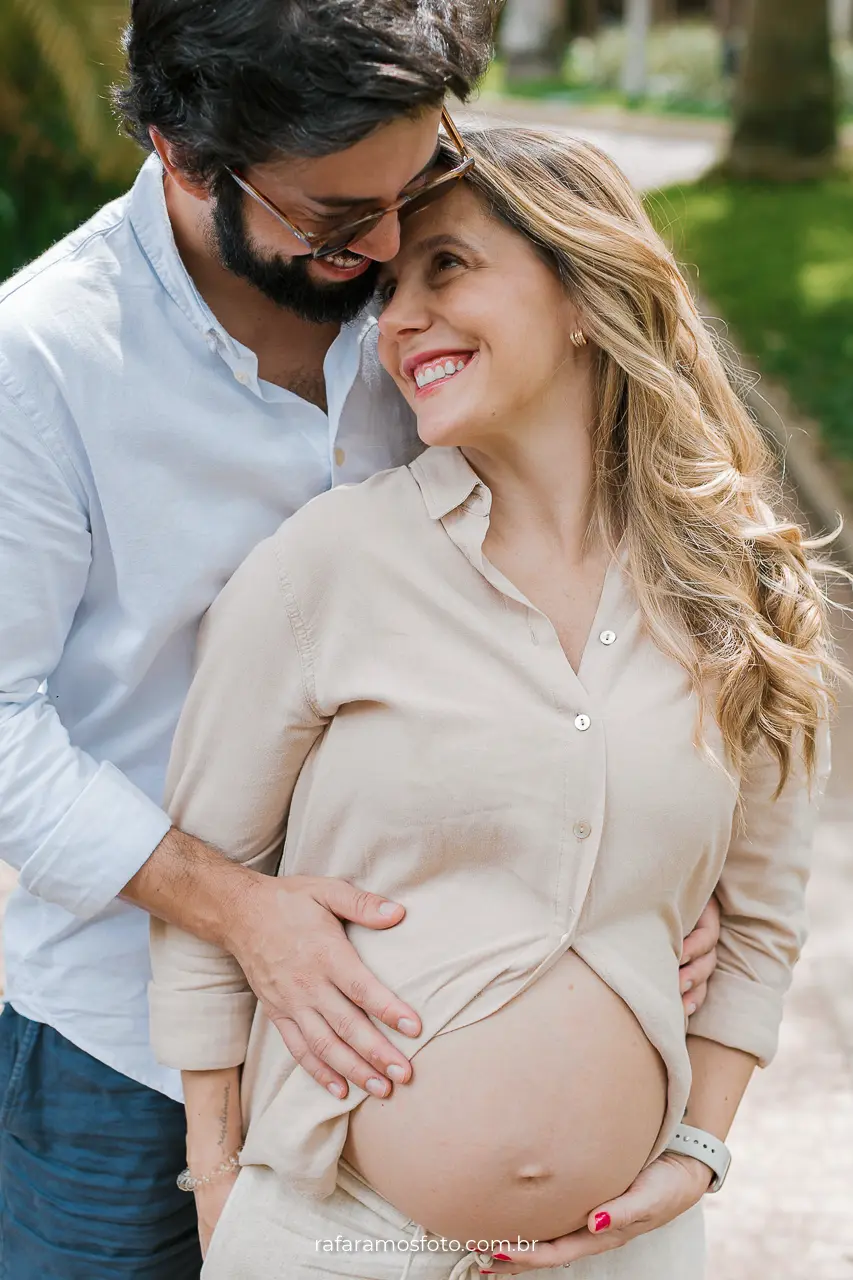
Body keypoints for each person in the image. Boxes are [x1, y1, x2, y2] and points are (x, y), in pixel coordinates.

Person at [0, 4, 717, 1274]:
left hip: (405, 1066)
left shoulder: (438, 301)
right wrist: (241, 911)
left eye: (416, 185)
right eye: (338, 223)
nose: (388, 251)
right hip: (122, 1056)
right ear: (183, 156)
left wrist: (639, 870)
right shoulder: (42, 365)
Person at [147, 125, 840, 1279]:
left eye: (447, 267)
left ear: (581, 294)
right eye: (388, 288)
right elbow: (205, 902)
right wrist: (218, 1188)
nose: (397, 316)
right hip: (336, 1238)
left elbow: (760, 921)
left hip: (625, 1252)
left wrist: (699, 1149)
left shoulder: (738, 591)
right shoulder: (326, 566)